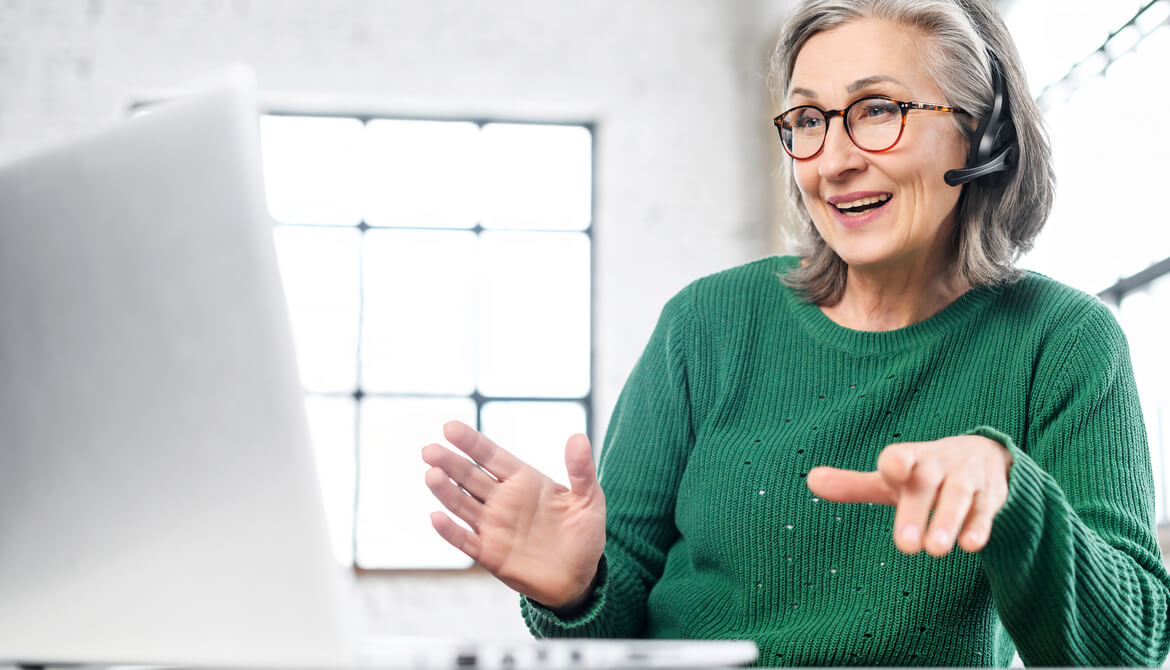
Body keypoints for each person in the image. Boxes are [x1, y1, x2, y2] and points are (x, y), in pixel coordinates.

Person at [421, 0, 1170, 665]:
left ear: (981, 136)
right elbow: (610, 631)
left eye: (878, 109)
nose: (834, 161)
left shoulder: (1064, 342)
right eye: (808, 120)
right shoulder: (706, 325)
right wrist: (575, 588)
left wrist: (1014, 496)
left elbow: (1127, 651)